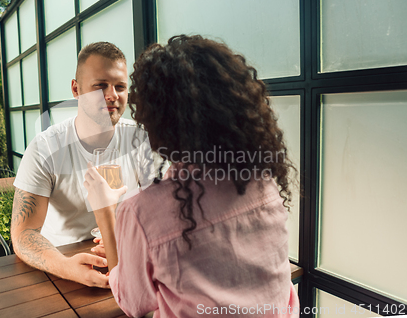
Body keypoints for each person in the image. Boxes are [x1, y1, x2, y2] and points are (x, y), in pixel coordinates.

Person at [84, 35, 300, 317]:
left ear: (155, 118)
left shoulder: (142, 212)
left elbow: (132, 302)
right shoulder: (264, 182)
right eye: (99, 87)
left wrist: (106, 214)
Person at [11, 42, 161, 288]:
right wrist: (65, 267)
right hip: (62, 268)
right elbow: (23, 234)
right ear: (76, 89)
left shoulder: (140, 139)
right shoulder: (46, 147)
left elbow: (158, 212)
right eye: (100, 86)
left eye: (120, 87)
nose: (112, 95)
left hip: (128, 261)